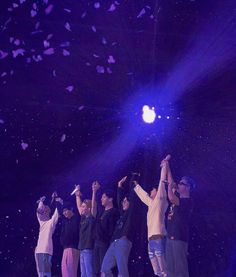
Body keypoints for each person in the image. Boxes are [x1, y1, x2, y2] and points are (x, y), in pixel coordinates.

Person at [133, 155, 170, 277]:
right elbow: (144, 196)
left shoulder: (160, 199)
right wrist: (136, 185)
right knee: (156, 270)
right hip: (151, 239)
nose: (150, 192)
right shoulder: (151, 203)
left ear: (157, 191)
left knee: (164, 269)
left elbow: (161, 182)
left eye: (152, 190)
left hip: (159, 237)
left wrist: (164, 166)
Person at [165, 159, 195, 277]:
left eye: (182, 183)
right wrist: (167, 166)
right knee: (170, 271)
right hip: (170, 238)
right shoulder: (179, 199)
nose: (179, 184)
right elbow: (172, 181)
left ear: (188, 187)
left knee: (180, 271)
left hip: (179, 238)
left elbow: (171, 197)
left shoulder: (187, 201)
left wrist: (168, 187)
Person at [101, 176, 136, 277]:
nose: (124, 202)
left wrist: (132, 183)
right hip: (114, 243)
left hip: (123, 241)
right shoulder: (121, 213)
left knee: (122, 270)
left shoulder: (131, 213)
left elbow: (132, 198)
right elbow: (120, 198)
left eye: (126, 201)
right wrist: (119, 186)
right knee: (104, 269)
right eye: (123, 201)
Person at [92, 182, 120, 276]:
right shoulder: (102, 212)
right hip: (97, 243)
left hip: (105, 244)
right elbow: (94, 206)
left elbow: (112, 231)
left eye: (104, 197)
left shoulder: (114, 212)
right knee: (97, 270)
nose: (101, 199)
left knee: (105, 269)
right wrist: (95, 191)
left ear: (110, 199)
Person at [35, 193, 62, 277]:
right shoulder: (41, 222)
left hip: (46, 251)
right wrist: (41, 202)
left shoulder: (51, 223)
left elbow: (57, 212)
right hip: (39, 251)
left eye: (45, 210)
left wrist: (57, 199)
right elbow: (39, 211)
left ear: (47, 213)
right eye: (43, 210)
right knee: (41, 274)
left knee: (46, 274)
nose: (43, 211)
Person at [75, 184, 96, 277]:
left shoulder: (92, 217)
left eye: (84, 207)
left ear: (88, 208)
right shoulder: (83, 218)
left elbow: (93, 205)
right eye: (82, 206)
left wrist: (94, 191)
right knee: (83, 274)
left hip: (89, 249)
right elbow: (78, 205)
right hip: (82, 249)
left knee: (89, 273)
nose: (81, 208)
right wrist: (77, 195)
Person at [59, 203, 80, 277]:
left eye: (65, 210)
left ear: (71, 209)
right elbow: (62, 233)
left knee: (71, 271)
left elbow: (76, 233)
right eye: (63, 212)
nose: (64, 213)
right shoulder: (66, 221)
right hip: (66, 248)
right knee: (64, 271)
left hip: (73, 247)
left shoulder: (77, 219)